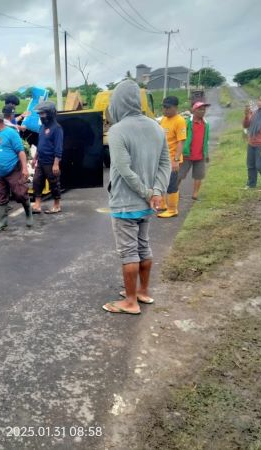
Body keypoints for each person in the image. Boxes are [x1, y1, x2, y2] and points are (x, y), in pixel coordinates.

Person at [102, 80, 170, 315]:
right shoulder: (156, 127)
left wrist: (146, 192)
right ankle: (143, 291)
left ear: (118, 102)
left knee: (128, 252)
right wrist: (157, 193)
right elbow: (165, 164)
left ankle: (130, 302)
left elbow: (122, 168)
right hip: (148, 203)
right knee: (143, 246)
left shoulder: (118, 130)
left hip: (125, 201)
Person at [0, 111, 33, 231]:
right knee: (0, 196)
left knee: (20, 193)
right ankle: (2, 222)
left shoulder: (11, 133)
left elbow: (20, 151)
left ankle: (29, 215)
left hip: (13, 169)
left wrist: (25, 168)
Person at [31, 101, 63, 214]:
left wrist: (56, 163)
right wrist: (35, 158)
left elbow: (58, 148)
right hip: (41, 161)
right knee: (37, 182)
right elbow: (40, 144)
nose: (40, 116)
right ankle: (38, 205)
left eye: (43, 113)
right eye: (39, 113)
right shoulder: (42, 127)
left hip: (51, 162)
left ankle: (56, 205)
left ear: (50, 113)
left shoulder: (57, 128)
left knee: (54, 183)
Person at [157, 96, 186, 219]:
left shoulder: (179, 121)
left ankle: (172, 209)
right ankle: (162, 205)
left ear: (175, 108)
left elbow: (181, 141)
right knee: (161, 182)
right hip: (163, 159)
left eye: (168, 107)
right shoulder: (163, 120)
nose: (165, 110)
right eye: (164, 107)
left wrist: (175, 160)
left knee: (171, 185)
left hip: (173, 160)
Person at [178, 102, 211, 200]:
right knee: (180, 174)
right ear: (193, 110)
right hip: (187, 154)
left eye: (204, 109)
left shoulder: (206, 124)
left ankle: (195, 194)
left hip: (200, 154)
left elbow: (206, 139)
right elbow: (181, 137)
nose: (202, 111)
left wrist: (206, 153)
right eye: (200, 109)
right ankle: (175, 192)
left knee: (199, 175)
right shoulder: (187, 122)